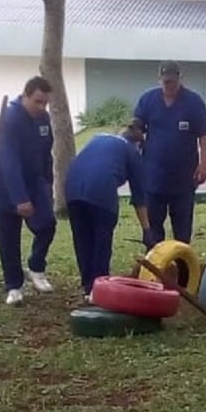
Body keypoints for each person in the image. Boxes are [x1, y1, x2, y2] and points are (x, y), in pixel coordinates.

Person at [0, 76, 56, 306]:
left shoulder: (43, 119)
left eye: (44, 102)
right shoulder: (8, 119)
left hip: (35, 183)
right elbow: (8, 161)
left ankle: (36, 267)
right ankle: (14, 286)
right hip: (3, 187)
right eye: (37, 101)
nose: (41, 107)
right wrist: (20, 198)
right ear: (25, 95)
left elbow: (48, 154)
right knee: (8, 239)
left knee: (47, 224)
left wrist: (48, 184)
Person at [65, 126, 151, 296]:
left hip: (72, 188)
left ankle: (88, 286)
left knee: (82, 239)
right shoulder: (132, 152)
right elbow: (139, 197)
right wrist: (147, 230)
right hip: (101, 191)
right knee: (101, 241)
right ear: (138, 145)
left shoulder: (98, 139)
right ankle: (98, 288)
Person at [132, 61, 206, 245]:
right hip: (153, 178)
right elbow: (137, 130)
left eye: (173, 82)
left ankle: (183, 270)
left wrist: (204, 164)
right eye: (166, 82)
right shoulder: (148, 99)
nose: (169, 86)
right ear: (160, 80)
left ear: (180, 79)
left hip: (183, 178)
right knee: (154, 230)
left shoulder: (193, 102)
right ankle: (155, 269)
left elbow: (204, 135)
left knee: (182, 231)